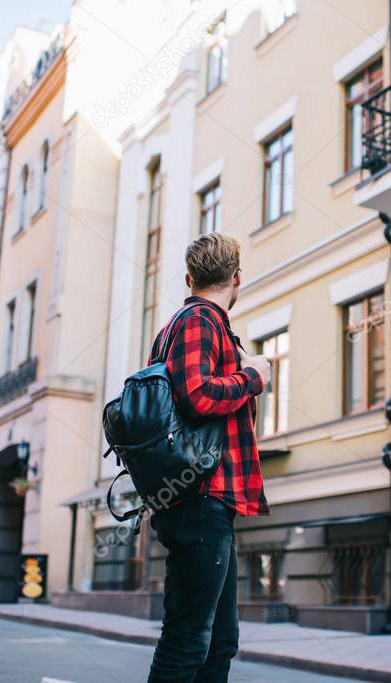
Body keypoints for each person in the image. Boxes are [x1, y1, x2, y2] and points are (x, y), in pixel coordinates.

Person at [146, 232, 272, 683]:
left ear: (190, 277)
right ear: (236, 280)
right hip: (199, 498)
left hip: (206, 502)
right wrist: (252, 378)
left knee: (219, 642)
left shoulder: (186, 325)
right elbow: (197, 396)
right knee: (188, 639)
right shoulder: (199, 320)